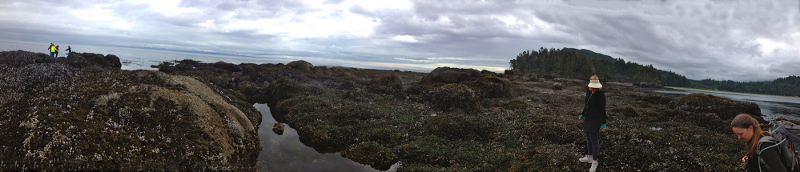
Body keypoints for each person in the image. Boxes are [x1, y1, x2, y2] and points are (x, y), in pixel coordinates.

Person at [578, 75, 607, 172]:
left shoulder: (601, 95)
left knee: (594, 140)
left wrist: (603, 123)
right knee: (588, 138)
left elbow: (603, 110)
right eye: (592, 86)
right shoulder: (588, 92)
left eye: (595, 86)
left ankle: (595, 161)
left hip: (595, 120)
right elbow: (586, 105)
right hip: (587, 119)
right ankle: (589, 156)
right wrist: (582, 114)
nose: (593, 88)